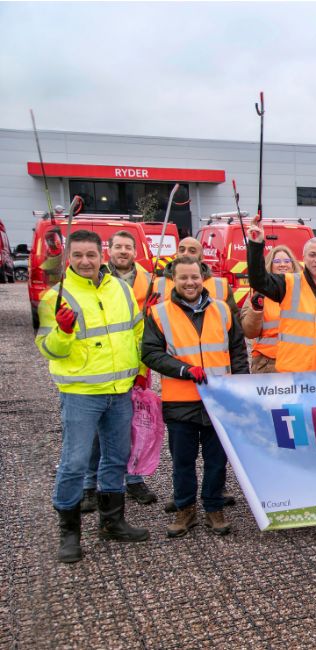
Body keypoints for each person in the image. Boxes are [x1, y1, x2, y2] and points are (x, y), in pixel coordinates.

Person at [36, 229, 149, 563]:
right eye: (78, 256)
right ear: (68, 258)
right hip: (81, 393)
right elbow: (49, 349)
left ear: (102, 254)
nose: (85, 262)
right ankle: (69, 531)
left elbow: (137, 332)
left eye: (91, 255)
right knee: (74, 462)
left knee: (116, 458)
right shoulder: (55, 297)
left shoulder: (122, 290)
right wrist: (64, 331)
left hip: (120, 390)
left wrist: (140, 371)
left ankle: (112, 521)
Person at [143, 256, 249, 538]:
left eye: (194, 277)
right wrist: (184, 369)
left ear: (203, 279)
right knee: (183, 461)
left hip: (218, 399)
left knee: (216, 460)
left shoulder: (223, 310)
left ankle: (214, 507)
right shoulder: (159, 313)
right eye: (183, 278)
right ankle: (185, 509)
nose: (189, 283)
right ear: (173, 281)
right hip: (180, 401)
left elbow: (238, 351)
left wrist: (239, 389)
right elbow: (151, 353)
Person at [79, 231, 158, 511]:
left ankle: (134, 479)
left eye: (128, 247)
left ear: (135, 251)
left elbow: (146, 331)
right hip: (97, 369)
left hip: (134, 364)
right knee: (96, 432)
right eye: (118, 247)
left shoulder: (149, 279)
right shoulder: (95, 279)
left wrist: (142, 366)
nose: (123, 251)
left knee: (135, 427)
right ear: (108, 251)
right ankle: (89, 485)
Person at [247, 220, 316, 372]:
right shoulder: (288, 283)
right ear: (304, 258)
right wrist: (256, 244)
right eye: (312, 255)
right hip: (291, 375)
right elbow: (258, 280)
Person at [241, 245, 300, 374]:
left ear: (293, 265)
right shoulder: (258, 293)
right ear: (270, 265)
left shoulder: (304, 292)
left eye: (286, 261)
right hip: (267, 364)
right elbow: (249, 332)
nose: (282, 265)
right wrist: (256, 310)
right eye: (277, 261)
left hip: (297, 362)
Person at [154, 237, 234, 308]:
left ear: (201, 257)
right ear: (177, 253)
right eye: (182, 250)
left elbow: (233, 318)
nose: (185, 253)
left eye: (192, 251)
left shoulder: (220, 286)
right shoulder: (156, 284)